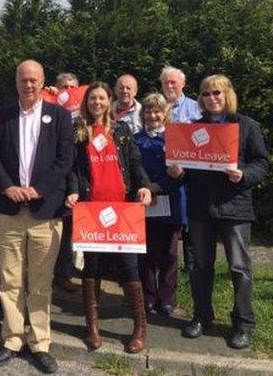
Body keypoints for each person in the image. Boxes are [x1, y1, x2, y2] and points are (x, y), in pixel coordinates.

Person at [0, 60, 74, 374]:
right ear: (16, 82)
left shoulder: (60, 116)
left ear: (43, 81)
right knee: (9, 280)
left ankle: (40, 343)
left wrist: (38, 189)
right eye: (24, 80)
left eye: (34, 80)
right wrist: (7, 186)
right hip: (9, 211)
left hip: (44, 211)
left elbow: (65, 161)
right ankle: (12, 340)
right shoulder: (4, 116)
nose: (29, 85)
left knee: (40, 282)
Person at [167, 74, 270, 350]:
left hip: (235, 207)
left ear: (227, 95)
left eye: (217, 93)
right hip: (201, 208)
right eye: (206, 94)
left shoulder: (246, 126)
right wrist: (177, 173)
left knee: (239, 268)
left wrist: (244, 174)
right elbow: (184, 169)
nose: (211, 98)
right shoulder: (193, 129)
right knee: (201, 267)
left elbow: (262, 164)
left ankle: (243, 323)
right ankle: (202, 316)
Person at [65, 82, 155, 353]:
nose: (97, 102)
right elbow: (72, 169)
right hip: (91, 210)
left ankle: (140, 328)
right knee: (92, 269)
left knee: (129, 268)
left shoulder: (122, 130)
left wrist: (145, 187)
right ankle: (92, 327)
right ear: (86, 102)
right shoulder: (79, 132)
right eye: (92, 98)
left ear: (109, 101)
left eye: (102, 97)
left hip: (123, 210)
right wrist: (72, 192)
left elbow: (135, 163)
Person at [133, 93, 187, 316]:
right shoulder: (135, 139)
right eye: (148, 111)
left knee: (170, 253)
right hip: (144, 201)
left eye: (157, 111)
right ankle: (148, 296)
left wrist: (160, 184)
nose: (152, 115)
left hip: (171, 200)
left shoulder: (177, 139)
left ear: (165, 114)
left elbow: (182, 173)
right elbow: (132, 169)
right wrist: (147, 187)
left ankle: (167, 298)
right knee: (145, 254)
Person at [160, 65, 201, 273]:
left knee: (191, 222)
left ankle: (192, 269)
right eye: (165, 82)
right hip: (163, 173)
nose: (169, 86)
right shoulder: (155, 106)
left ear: (183, 84)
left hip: (190, 173)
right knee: (169, 222)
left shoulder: (195, 108)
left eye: (173, 82)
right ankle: (167, 266)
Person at [52, 73, 81, 293]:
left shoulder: (84, 114)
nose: (68, 91)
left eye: (73, 87)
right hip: (52, 178)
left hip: (76, 178)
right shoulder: (50, 109)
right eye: (64, 87)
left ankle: (64, 273)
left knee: (69, 231)